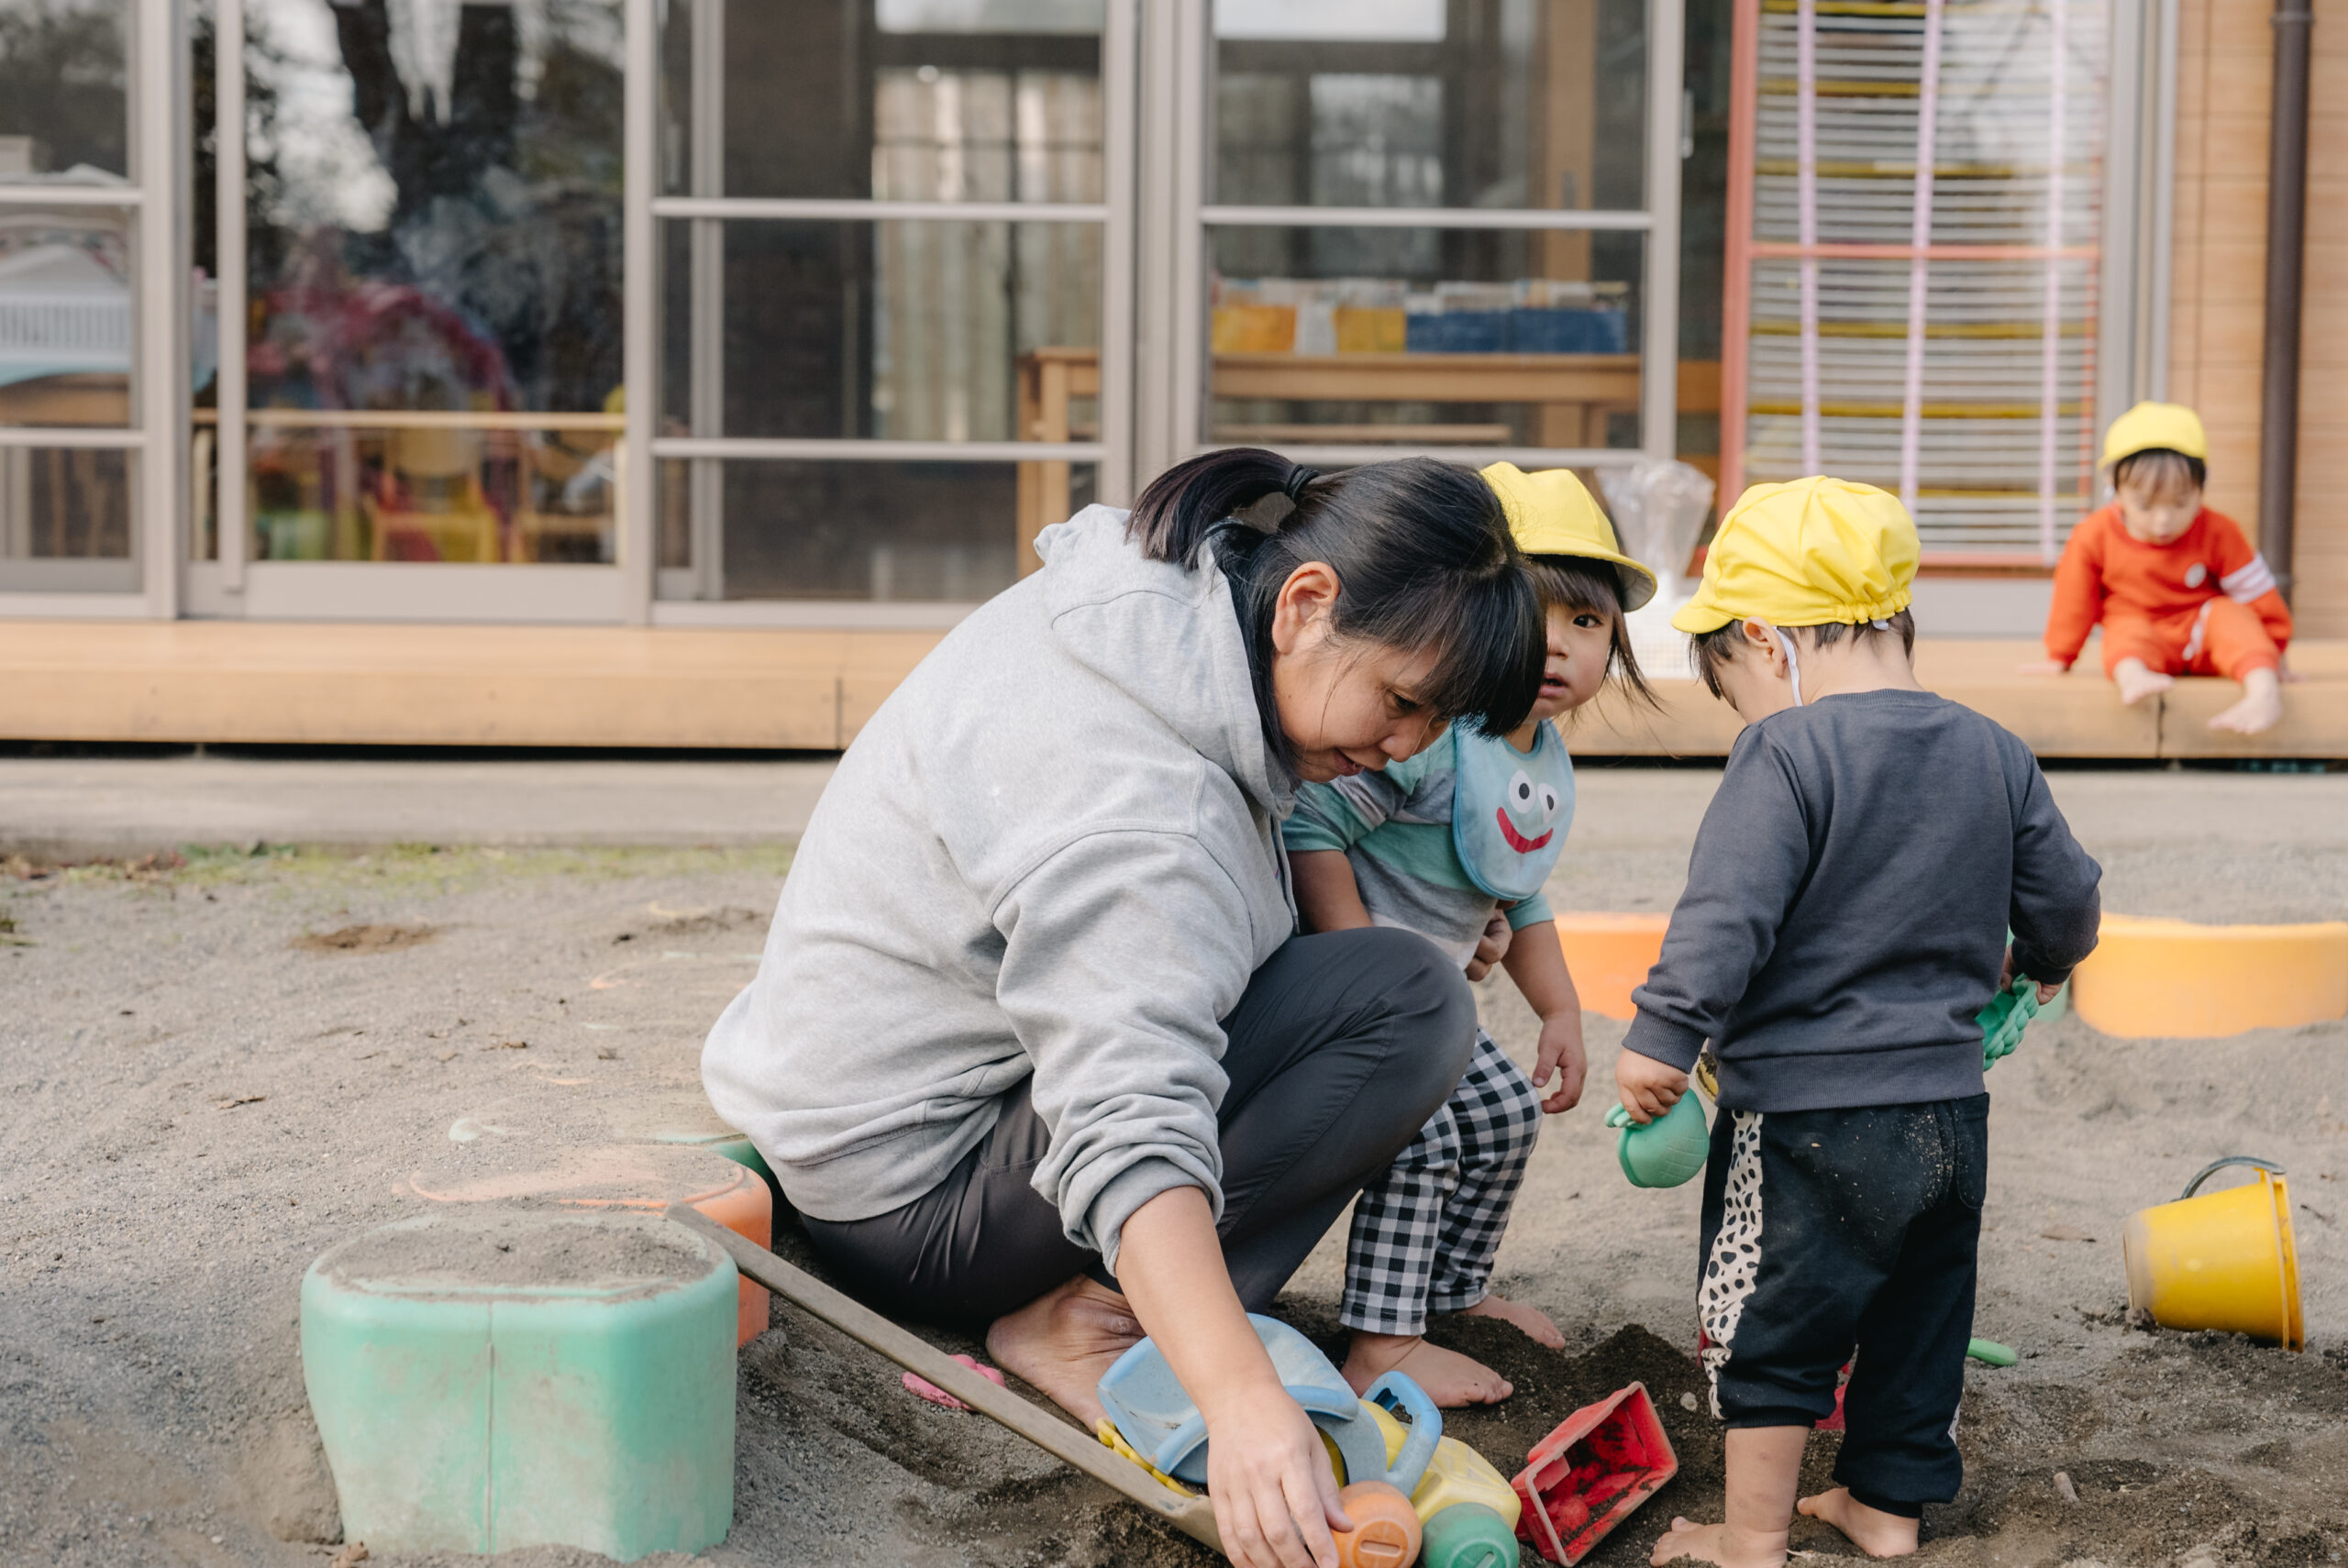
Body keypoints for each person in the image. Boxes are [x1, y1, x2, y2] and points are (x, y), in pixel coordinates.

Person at [703, 449, 1549, 1568]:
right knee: (1406, 1007)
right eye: (1401, 700)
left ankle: (1093, 1300)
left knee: (1385, 982)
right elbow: (1127, 1118)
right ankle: (1083, 1322)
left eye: (1436, 722)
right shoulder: (1141, 806)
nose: (1405, 747)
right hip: (911, 1191)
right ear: (1306, 604)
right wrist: (1242, 1401)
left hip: (868, 1101)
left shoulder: (1167, 606)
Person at [1612, 477, 2102, 1567]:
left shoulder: (1784, 753)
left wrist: (1662, 1032)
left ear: (1761, 637)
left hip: (1804, 1117)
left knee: (1769, 1317)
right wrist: (2045, 962)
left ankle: (1749, 1539)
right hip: (1946, 1113)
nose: (1742, 707)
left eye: (1731, 682)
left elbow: (1724, 912)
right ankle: (1884, 1508)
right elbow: (2067, 901)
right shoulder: (1991, 748)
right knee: (1921, 1315)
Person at [1284, 462, 1656, 1408]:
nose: (1556, 645)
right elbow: (1313, 829)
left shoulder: (1537, 757)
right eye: (1531, 612)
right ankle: (1380, 1340)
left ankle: (1449, 1293)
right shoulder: (1437, 735)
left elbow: (1517, 892)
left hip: (1438, 1002)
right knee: (1428, 1137)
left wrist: (1560, 1009)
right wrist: (1362, 965)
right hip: (1369, 996)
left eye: (1588, 622)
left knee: (1506, 1117)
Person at [2023, 401, 2294, 735]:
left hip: (2202, 629)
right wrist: (2060, 656)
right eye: (2146, 506)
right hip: (2140, 626)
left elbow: (2255, 590)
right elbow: (2074, 598)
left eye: (2180, 504)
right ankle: (2134, 677)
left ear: (2201, 489)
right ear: (2115, 490)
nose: (2164, 520)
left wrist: (2275, 649)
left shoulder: (2219, 531)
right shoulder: (2093, 535)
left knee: (2231, 615)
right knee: (2122, 631)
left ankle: (2263, 693)